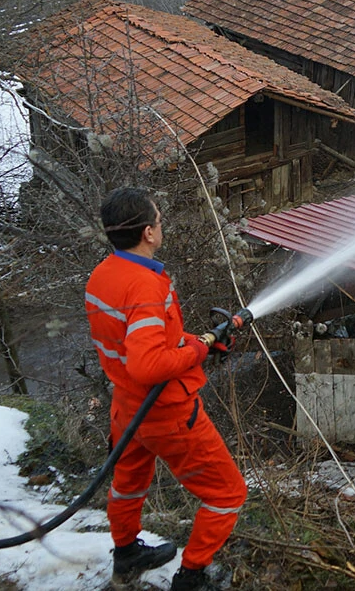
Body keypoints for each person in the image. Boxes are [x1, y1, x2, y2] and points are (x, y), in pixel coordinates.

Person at [85, 188, 246, 590]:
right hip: (168, 413)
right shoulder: (144, 286)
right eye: (158, 220)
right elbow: (148, 364)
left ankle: (127, 554)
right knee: (227, 494)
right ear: (148, 233)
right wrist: (196, 349)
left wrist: (199, 340)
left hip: (127, 410)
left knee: (128, 485)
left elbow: (141, 343)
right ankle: (191, 577)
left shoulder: (104, 274)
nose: (161, 225)